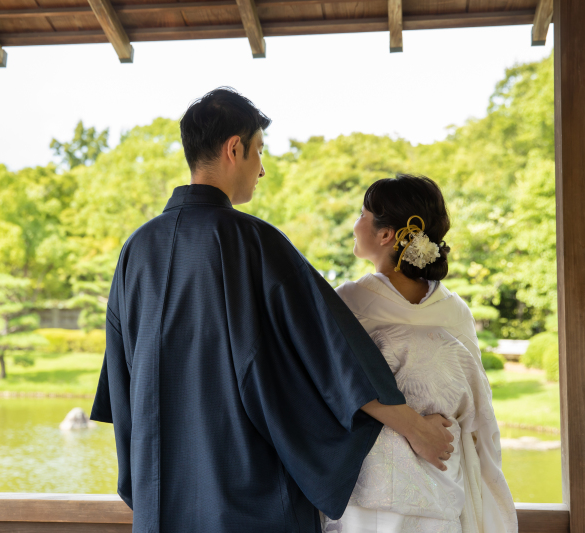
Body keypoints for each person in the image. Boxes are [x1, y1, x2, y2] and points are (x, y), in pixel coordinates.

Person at [90, 88, 454, 533]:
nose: (261, 169)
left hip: (160, 499)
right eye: (259, 151)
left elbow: (123, 386)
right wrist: (414, 427)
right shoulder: (254, 242)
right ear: (234, 148)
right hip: (246, 497)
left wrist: (145, 483)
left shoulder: (135, 250)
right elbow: (334, 352)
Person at [321, 175, 518, 533]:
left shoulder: (346, 303)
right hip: (440, 482)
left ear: (385, 235)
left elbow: (325, 387)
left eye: (362, 213)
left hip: (363, 490)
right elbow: (480, 417)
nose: (355, 224)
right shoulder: (455, 311)